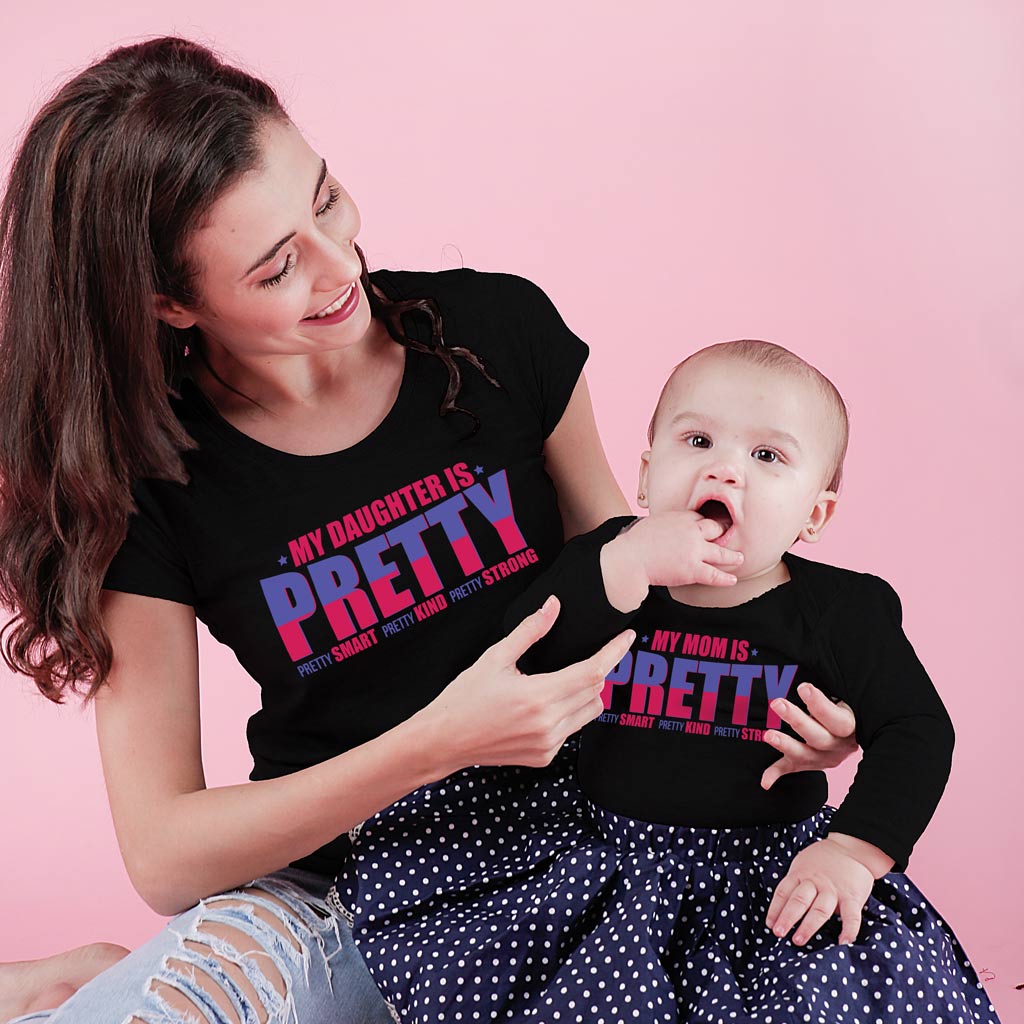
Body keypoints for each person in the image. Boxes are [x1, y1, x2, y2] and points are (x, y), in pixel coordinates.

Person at [0, 38, 859, 1024]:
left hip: (591, 851)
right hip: (347, 894)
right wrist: (435, 742)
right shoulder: (147, 483)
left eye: (323, 200)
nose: (338, 269)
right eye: (277, 267)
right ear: (170, 302)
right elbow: (164, 851)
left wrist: (782, 701)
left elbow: (643, 586)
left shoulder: (499, 333)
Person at [342, 341, 1001, 1023]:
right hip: (608, 861)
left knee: (816, 993)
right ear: (648, 475)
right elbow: (523, 656)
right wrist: (622, 567)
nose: (726, 469)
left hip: (768, 870)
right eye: (699, 439)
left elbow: (917, 729)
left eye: (767, 456)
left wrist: (853, 852)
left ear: (814, 515)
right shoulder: (606, 564)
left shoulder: (840, 611)